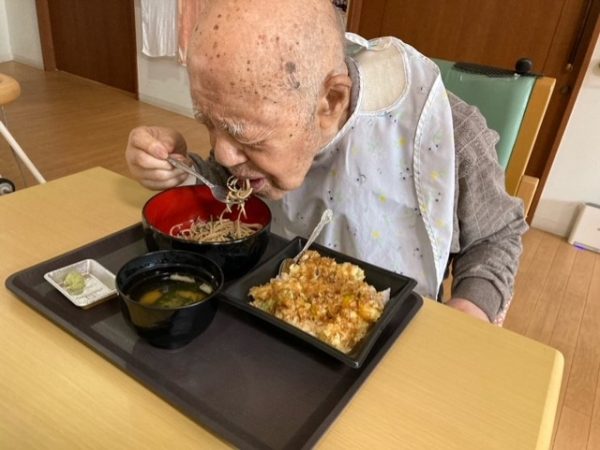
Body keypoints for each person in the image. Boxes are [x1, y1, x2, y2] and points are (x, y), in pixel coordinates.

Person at [126, 0, 528, 324]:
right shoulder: (252, 120)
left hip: (393, 336)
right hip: (269, 312)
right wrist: (181, 168)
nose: (224, 153)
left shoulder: (447, 133)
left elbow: (496, 236)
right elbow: (231, 189)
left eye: (247, 136)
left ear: (331, 101)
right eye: (209, 123)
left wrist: (471, 308)